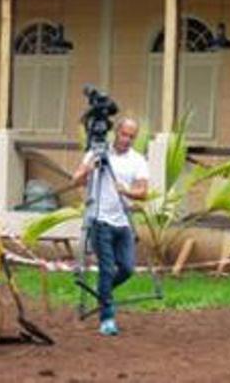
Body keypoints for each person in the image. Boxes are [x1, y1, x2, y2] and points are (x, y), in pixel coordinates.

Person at [72, 118, 149, 336]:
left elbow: (143, 192)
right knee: (106, 269)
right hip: (99, 220)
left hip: (123, 222)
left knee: (127, 268)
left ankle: (102, 292)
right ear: (116, 132)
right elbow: (75, 179)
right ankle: (107, 318)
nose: (126, 139)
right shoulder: (96, 153)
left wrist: (126, 191)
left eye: (131, 136)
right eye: (124, 134)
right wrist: (90, 167)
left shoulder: (138, 160)